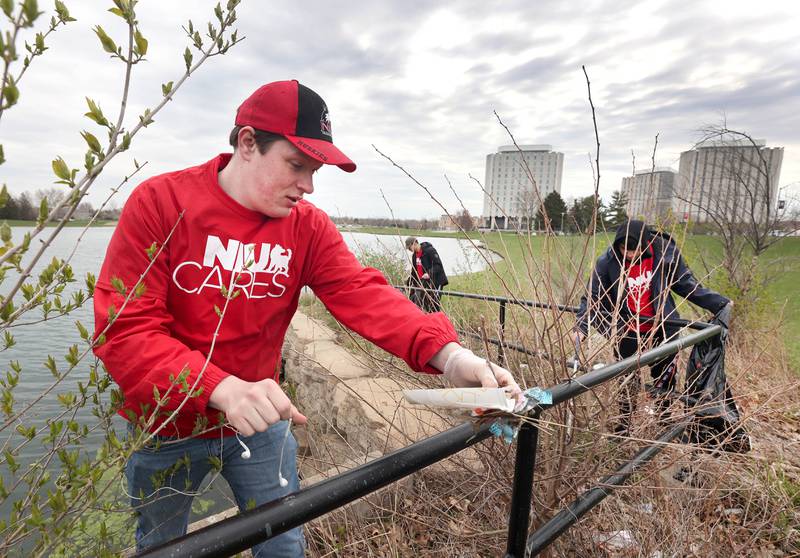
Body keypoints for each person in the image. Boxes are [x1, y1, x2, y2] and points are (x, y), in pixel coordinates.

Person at [92, 80, 520, 557]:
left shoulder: (307, 226)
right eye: (297, 166)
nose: (308, 185)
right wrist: (221, 387)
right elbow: (125, 329)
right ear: (248, 143)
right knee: (162, 547)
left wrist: (450, 356)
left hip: (263, 421)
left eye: (314, 170)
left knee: (283, 543)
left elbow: (362, 292)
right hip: (167, 423)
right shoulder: (161, 204)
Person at [575, 219, 731, 435]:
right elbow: (592, 296)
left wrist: (719, 303)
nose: (629, 255)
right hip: (626, 330)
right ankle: (624, 423)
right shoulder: (607, 262)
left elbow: (687, 285)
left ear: (645, 243)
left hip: (662, 327)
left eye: (634, 249)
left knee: (664, 376)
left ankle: (663, 419)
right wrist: (581, 326)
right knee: (626, 377)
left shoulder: (665, 255)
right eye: (623, 249)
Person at [404, 236, 448, 313]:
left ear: (414, 243)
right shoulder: (414, 256)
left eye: (409, 247)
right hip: (425, 283)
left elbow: (438, 266)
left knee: (434, 304)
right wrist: (408, 282)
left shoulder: (430, 250)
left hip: (436, 282)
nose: (409, 250)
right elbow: (414, 272)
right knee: (425, 303)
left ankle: (437, 322)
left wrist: (429, 273)